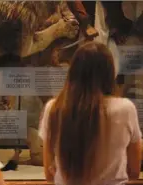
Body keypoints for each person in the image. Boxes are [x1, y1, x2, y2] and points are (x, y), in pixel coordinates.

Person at [39, 41, 142, 185]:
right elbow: (135, 170)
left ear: (73, 71)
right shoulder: (125, 108)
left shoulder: (54, 108)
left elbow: (48, 173)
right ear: (109, 72)